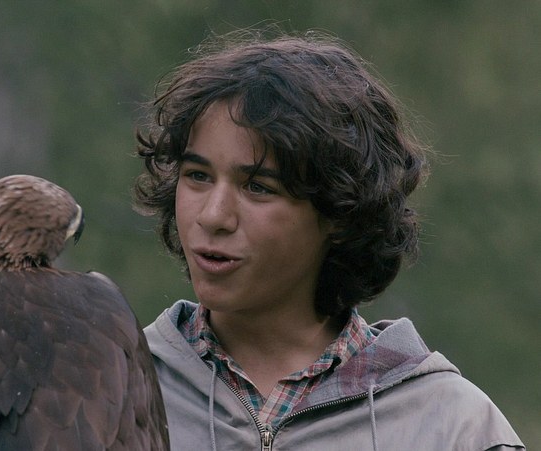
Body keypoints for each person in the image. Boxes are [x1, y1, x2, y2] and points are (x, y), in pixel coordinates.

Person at [133, 30, 524, 450]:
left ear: (340, 214)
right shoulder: (116, 389)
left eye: (258, 187)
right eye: (197, 176)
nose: (213, 215)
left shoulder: (452, 426)